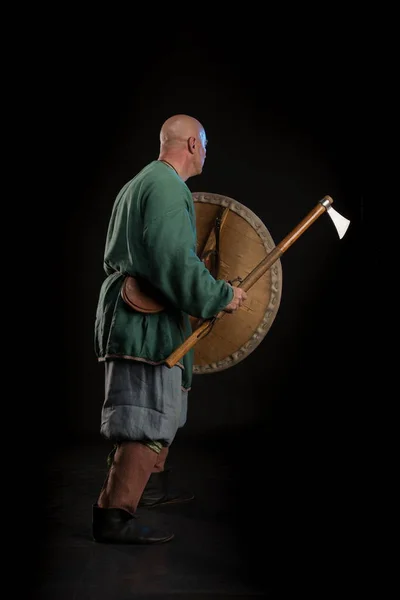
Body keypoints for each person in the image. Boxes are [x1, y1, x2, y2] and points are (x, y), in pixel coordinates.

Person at [92, 114, 247, 544]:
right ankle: (114, 517)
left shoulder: (140, 183)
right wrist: (221, 296)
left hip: (138, 321)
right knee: (144, 419)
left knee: (151, 417)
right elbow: (173, 263)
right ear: (193, 145)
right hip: (144, 325)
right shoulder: (165, 186)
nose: (206, 152)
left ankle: (130, 498)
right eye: (205, 144)